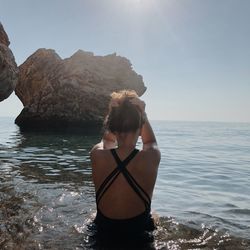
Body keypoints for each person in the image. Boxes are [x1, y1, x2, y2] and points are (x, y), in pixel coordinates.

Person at [90, 90, 161, 247]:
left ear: (113, 127)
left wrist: (112, 111)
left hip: (102, 234)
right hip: (139, 237)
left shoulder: (97, 155)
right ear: (140, 127)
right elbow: (151, 142)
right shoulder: (150, 157)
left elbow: (107, 140)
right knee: (155, 217)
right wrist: (143, 114)